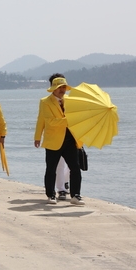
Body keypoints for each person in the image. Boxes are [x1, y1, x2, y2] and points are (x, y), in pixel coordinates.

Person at [34, 74, 85, 206]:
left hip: (70, 139)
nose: (62, 90)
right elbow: (47, 121)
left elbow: (78, 119)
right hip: (53, 140)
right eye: (60, 88)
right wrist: (37, 137)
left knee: (75, 168)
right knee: (51, 169)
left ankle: (76, 195)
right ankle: (51, 194)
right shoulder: (45, 102)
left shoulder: (70, 100)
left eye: (64, 87)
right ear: (53, 89)